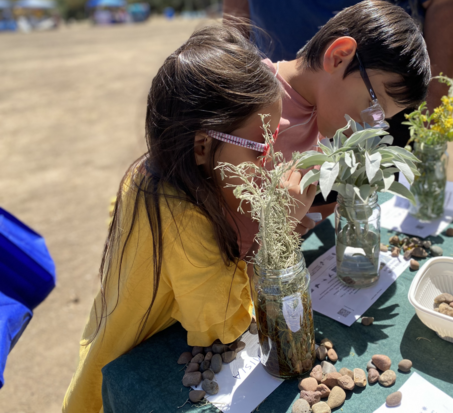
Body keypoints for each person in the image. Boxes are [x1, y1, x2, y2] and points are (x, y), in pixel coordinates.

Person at [62, 24, 316, 413]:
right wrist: (277, 225)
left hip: (111, 331)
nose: (271, 162)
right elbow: (222, 323)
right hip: (114, 385)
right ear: (201, 146)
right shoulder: (183, 217)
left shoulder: (152, 172)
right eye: (260, 150)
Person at [227, 0, 432, 249]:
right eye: (372, 105)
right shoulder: (245, 102)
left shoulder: (321, 116)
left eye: (380, 120)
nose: (367, 126)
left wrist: (294, 220)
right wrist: (275, 225)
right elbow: (209, 220)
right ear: (338, 57)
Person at [224, 0, 453, 112]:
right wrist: (235, 85)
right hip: (272, 99)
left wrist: (433, 97)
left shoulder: (378, 114)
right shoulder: (259, 123)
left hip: (385, 94)